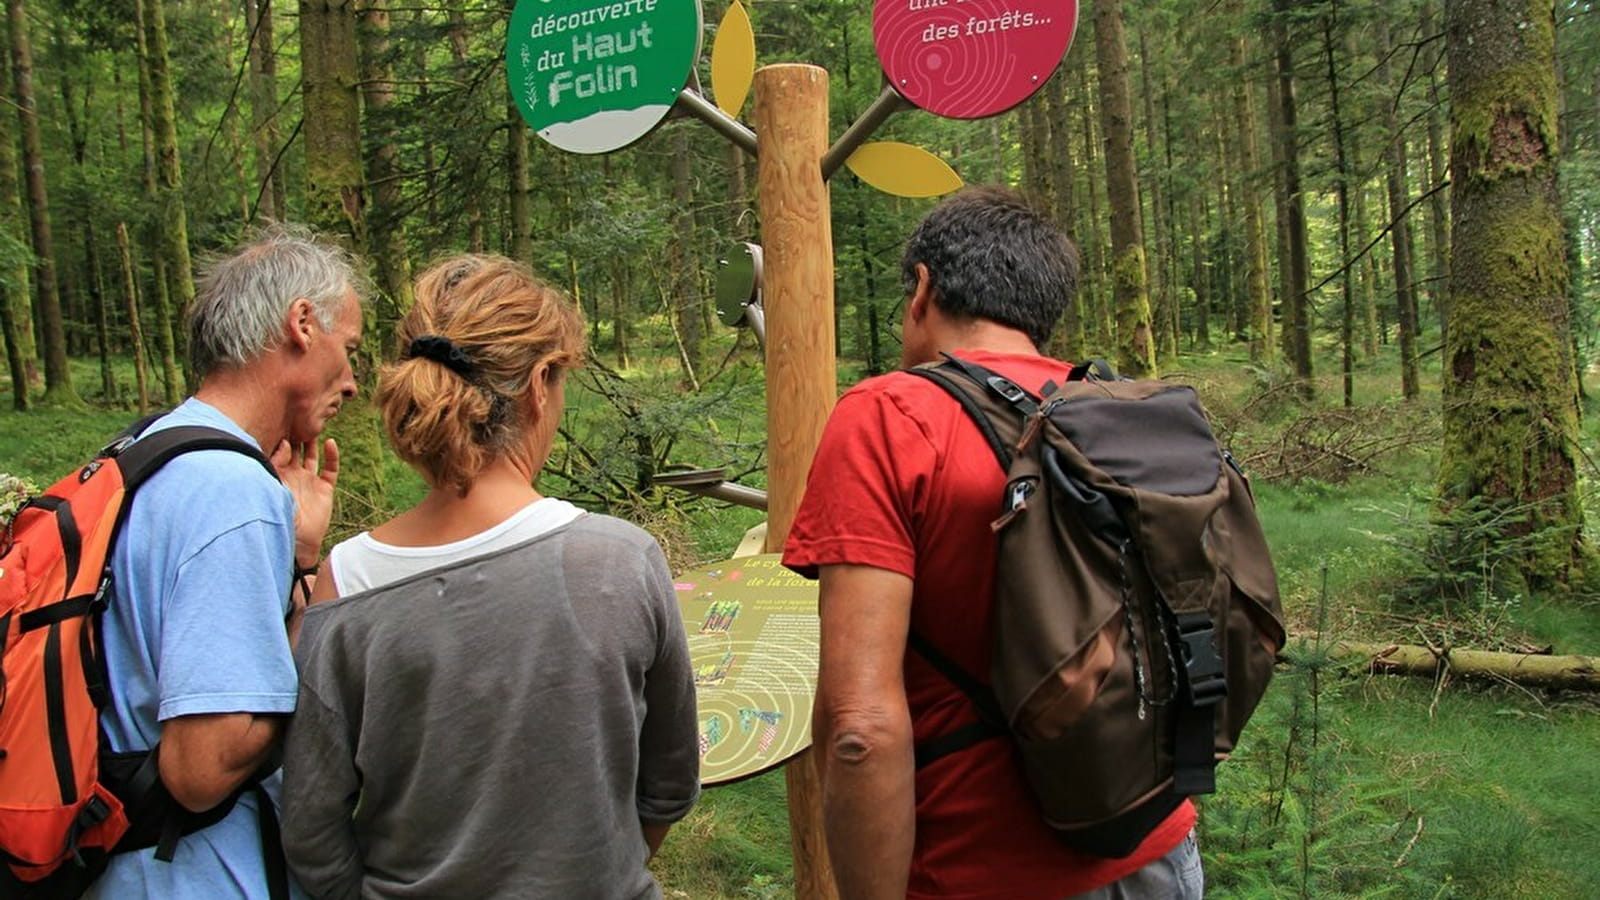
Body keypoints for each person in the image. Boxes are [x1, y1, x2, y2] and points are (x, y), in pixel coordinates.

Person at [783, 186, 1203, 900]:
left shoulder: (888, 416)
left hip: (975, 866)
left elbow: (860, 730)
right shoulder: (1118, 412)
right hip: (1154, 840)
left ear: (922, 289)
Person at [280, 255, 701, 900]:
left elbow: (310, 826)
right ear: (538, 384)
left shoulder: (349, 578)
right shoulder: (622, 559)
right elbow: (668, 784)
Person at [89, 227, 366, 899]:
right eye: (351, 350)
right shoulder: (230, 490)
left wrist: (298, 557)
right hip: (198, 875)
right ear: (302, 323)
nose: (353, 384)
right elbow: (203, 767)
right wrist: (334, 651)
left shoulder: (147, 449)